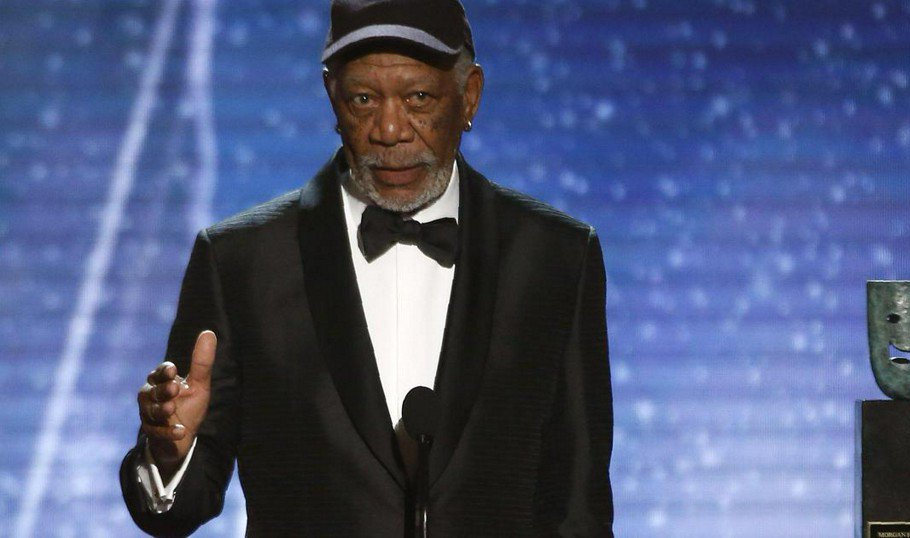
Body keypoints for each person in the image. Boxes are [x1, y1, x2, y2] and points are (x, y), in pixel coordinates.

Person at [119, 0, 613, 535]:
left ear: (469, 96)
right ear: (332, 97)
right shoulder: (240, 262)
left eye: (418, 98)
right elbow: (179, 506)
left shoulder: (557, 258)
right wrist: (169, 453)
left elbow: (579, 510)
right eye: (363, 99)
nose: (390, 130)